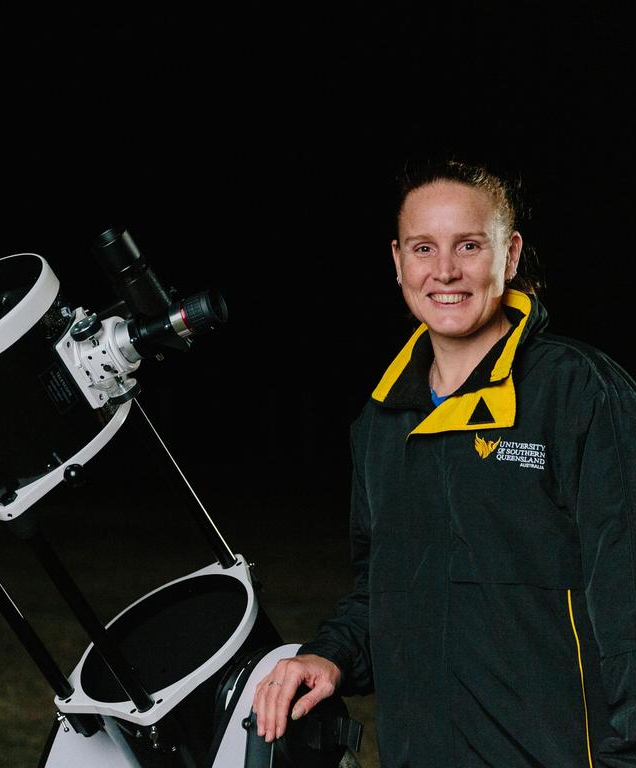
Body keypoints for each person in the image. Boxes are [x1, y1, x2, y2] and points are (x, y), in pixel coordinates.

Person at [252, 157, 636, 766]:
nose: (446, 271)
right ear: (398, 261)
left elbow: (627, 602)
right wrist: (330, 655)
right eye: (424, 248)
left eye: (469, 246)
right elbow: (384, 589)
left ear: (509, 256)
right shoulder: (381, 422)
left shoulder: (578, 394)